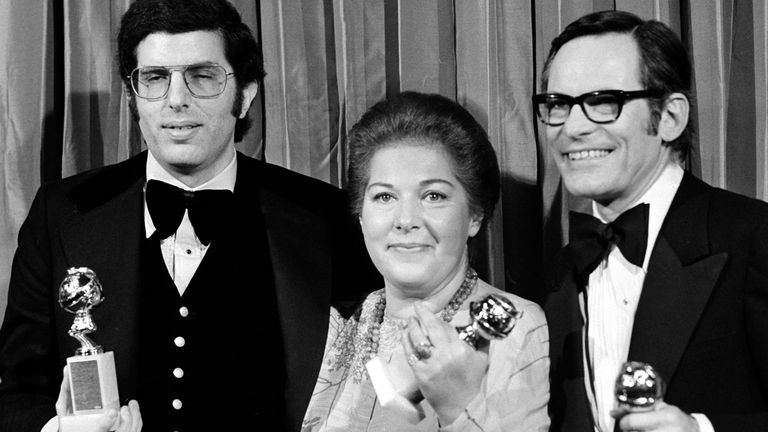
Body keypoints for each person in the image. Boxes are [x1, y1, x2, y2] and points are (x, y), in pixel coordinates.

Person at [0, 0, 379, 431]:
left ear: (246, 93)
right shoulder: (61, 212)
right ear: (132, 95)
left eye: (202, 77)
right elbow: (17, 392)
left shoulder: (326, 216)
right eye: (156, 78)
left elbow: (373, 383)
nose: (176, 100)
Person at [537, 10, 768, 432]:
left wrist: (700, 429)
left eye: (603, 102)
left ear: (669, 118)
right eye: (557, 105)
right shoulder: (561, 271)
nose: (571, 127)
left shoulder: (755, 237)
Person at [302, 91, 550, 431]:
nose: (406, 219)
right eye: (384, 196)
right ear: (361, 215)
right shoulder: (333, 329)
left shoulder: (514, 328)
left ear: (475, 215)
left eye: (433, 196)